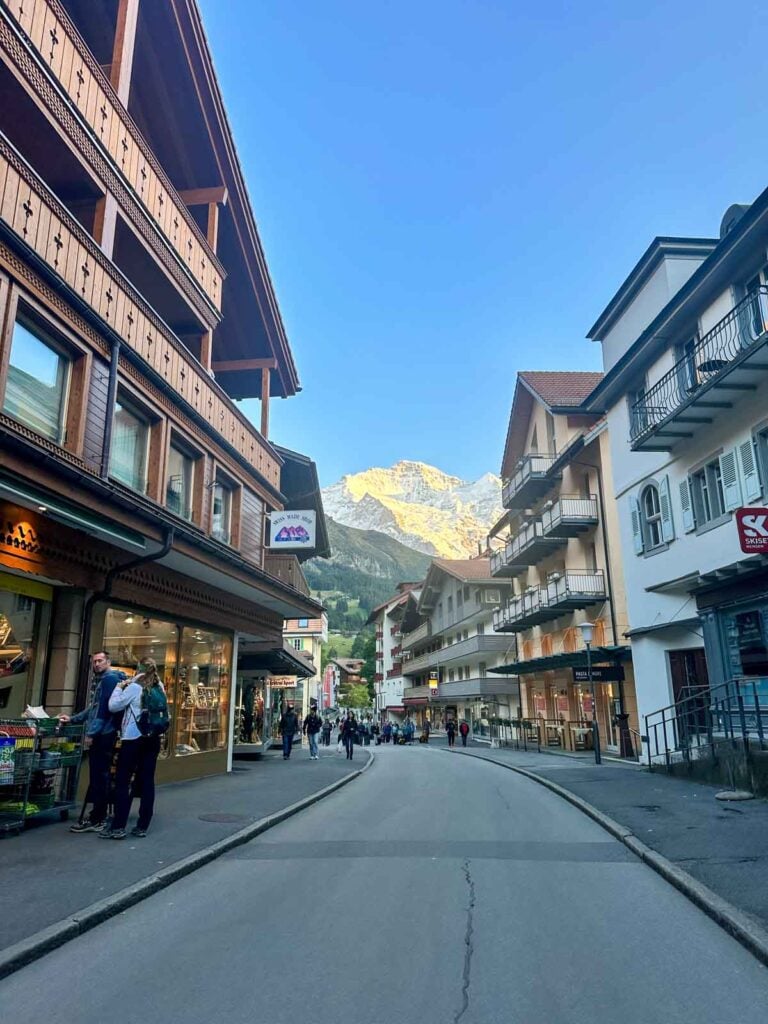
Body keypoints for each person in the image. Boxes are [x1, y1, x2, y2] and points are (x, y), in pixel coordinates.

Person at [59, 651, 123, 833]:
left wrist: (92, 733)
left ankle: (97, 818)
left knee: (99, 777)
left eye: (100, 661)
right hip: (105, 733)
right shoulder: (106, 680)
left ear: (108, 662)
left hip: (104, 734)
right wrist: (73, 719)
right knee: (99, 776)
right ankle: (98, 816)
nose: (96, 664)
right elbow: (93, 708)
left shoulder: (109, 679)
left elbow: (103, 711)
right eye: (94, 661)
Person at [102, 659, 166, 839]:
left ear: (138, 669)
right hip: (153, 738)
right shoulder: (159, 687)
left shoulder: (134, 687)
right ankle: (143, 825)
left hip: (133, 738)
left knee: (124, 781)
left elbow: (113, 706)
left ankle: (118, 826)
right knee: (147, 781)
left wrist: (119, 687)